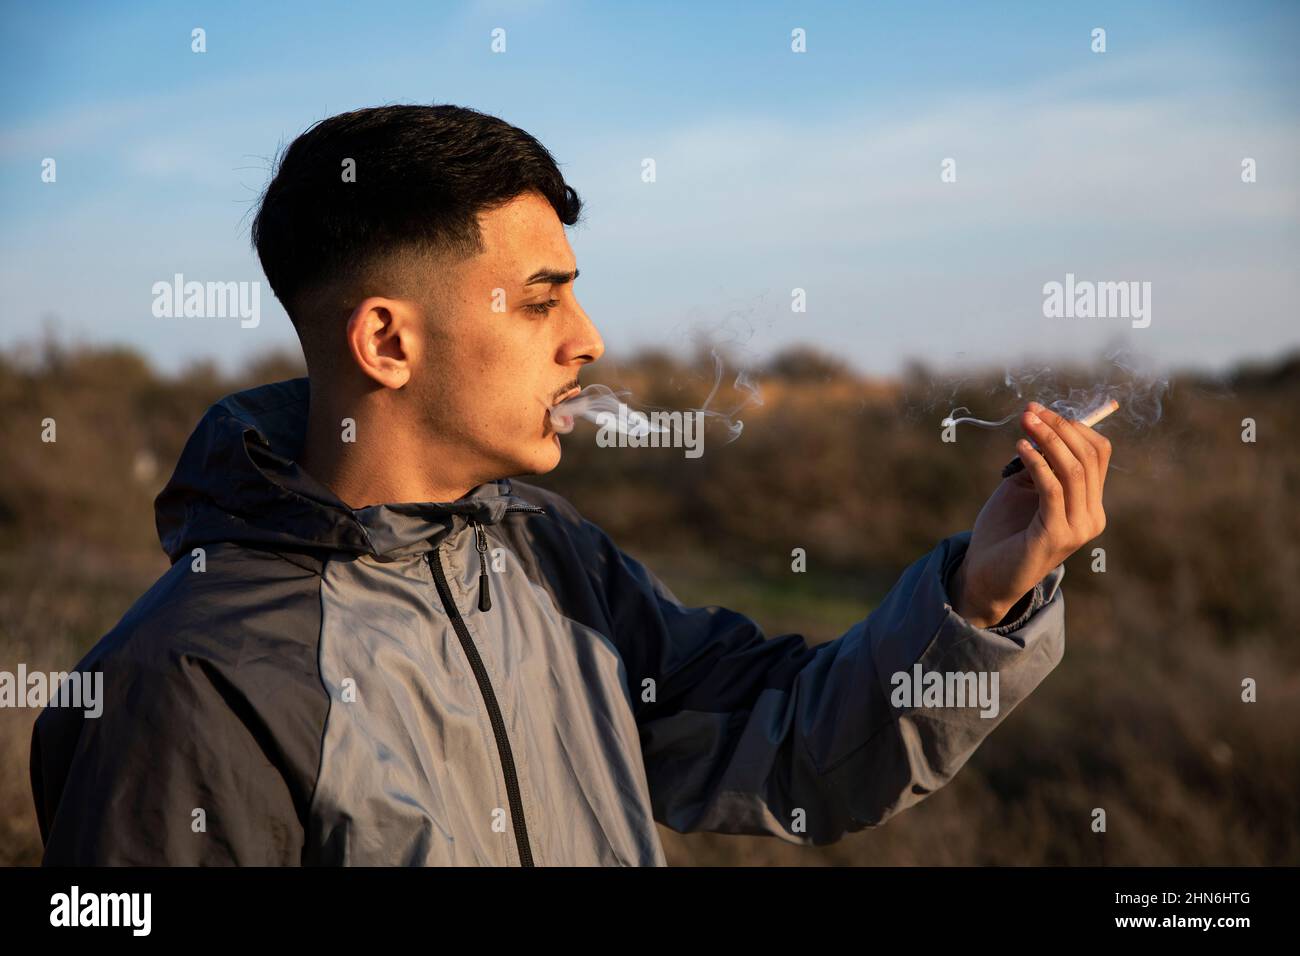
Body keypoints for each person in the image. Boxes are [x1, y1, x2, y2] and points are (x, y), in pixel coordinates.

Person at [30, 105, 1110, 866]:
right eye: (540, 300)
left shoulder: (549, 556)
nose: (586, 341)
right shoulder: (189, 677)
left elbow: (793, 746)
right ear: (387, 340)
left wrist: (978, 598)